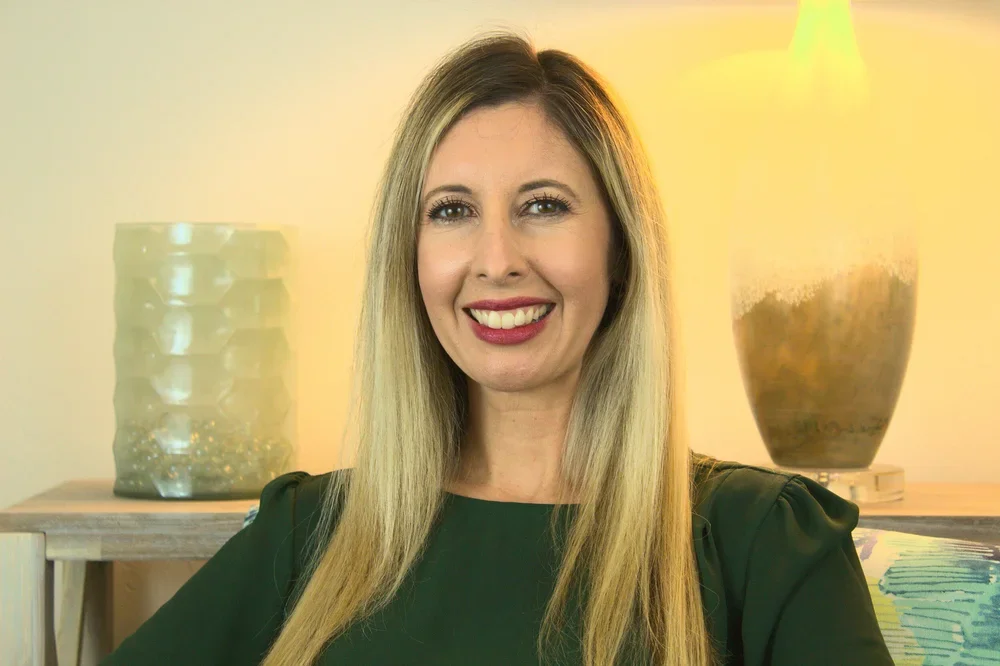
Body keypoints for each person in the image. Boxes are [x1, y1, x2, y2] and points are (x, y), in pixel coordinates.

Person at [101, 29, 894, 666]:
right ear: (409, 259)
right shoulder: (307, 531)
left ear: (620, 250)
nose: (496, 259)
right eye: (452, 211)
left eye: (543, 206)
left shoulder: (766, 540)